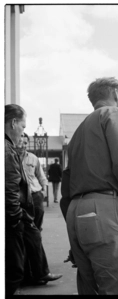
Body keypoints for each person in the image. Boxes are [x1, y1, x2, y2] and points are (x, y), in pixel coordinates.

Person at [60, 77, 118, 295]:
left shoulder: (79, 130)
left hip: (76, 211)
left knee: (89, 288)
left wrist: (76, 228)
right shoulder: (114, 114)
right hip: (105, 210)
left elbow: (67, 180)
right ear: (116, 94)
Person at [5, 104, 62, 295]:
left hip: (31, 200)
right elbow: (10, 188)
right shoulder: (7, 151)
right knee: (14, 267)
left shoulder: (29, 157)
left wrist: (43, 193)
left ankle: (38, 273)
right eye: (22, 127)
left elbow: (38, 177)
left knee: (34, 236)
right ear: (13, 123)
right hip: (15, 211)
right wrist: (15, 219)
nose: (22, 134)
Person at [17, 133, 48, 231]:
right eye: (20, 142)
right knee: (21, 219)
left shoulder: (33, 158)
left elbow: (41, 176)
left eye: (25, 143)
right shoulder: (10, 158)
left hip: (35, 193)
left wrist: (44, 191)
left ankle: (36, 231)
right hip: (19, 195)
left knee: (39, 212)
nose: (23, 145)